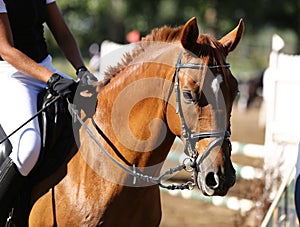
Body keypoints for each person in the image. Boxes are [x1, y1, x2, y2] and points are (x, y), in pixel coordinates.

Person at [0, 0, 97, 224]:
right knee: (28, 148)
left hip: (44, 66)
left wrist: (82, 70)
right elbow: (6, 50)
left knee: (97, 113)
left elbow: (62, 33)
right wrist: (52, 79)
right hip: (11, 74)